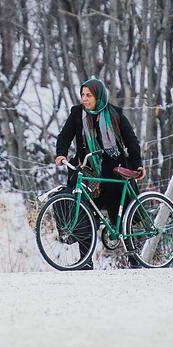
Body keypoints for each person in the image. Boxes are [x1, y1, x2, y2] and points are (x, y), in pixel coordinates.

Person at [55, 77, 145, 270]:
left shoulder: (115, 114)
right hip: (87, 169)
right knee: (81, 210)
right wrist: (61, 154)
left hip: (113, 170)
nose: (84, 99)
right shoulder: (77, 113)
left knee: (122, 212)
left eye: (89, 95)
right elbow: (64, 136)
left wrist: (137, 165)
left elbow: (131, 142)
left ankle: (133, 258)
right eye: (82, 95)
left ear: (99, 96)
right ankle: (85, 261)